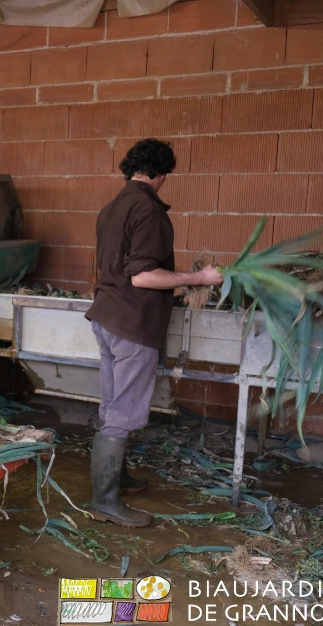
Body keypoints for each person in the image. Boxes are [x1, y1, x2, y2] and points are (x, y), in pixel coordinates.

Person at [84, 139, 223, 528]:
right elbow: (144, 275)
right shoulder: (149, 209)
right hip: (132, 324)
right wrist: (199, 278)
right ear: (161, 174)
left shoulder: (112, 207)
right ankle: (105, 501)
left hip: (108, 319)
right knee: (123, 412)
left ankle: (115, 481)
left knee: (112, 406)